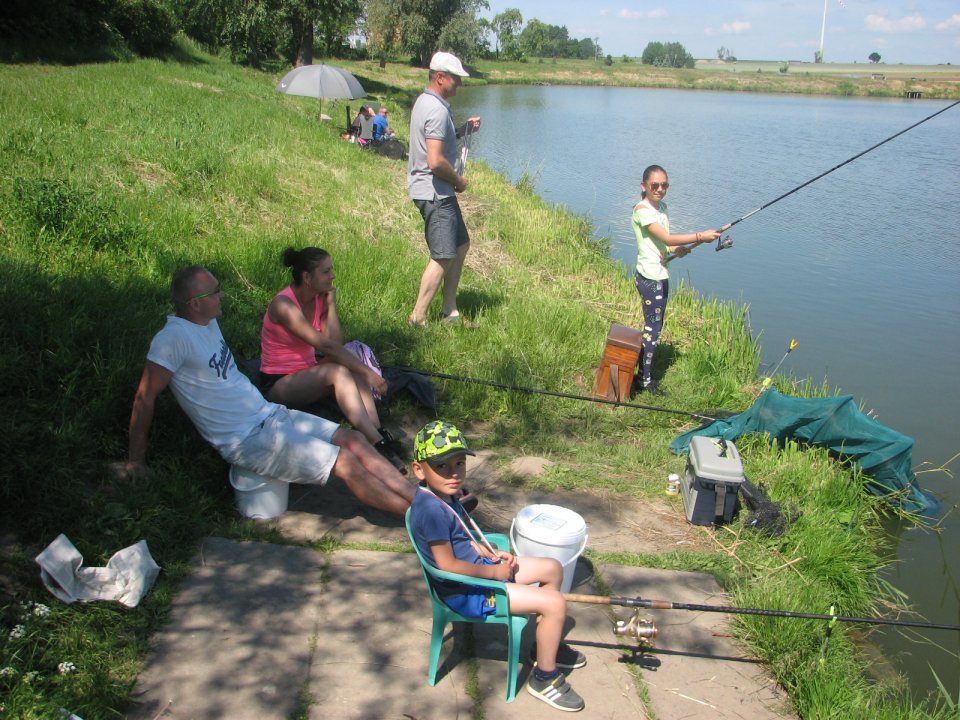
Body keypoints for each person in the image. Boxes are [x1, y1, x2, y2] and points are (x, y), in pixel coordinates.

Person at [122, 265, 415, 516]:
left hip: (269, 414)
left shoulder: (208, 323)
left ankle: (422, 500)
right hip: (246, 438)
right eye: (215, 291)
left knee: (352, 439)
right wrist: (136, 460)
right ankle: (422, 518)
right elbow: (144, 396)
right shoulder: (172, 339)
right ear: (194, 303)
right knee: (346, 462)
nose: (222, 294)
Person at [408, 421, 586, 712]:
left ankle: (543, 649)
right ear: (419, 469)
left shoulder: (444, 494)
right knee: (554, 603)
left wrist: (488, 552)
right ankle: (544, 678)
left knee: (553, 568)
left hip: (477, 572)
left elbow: (460, 539)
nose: (454, 473)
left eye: (459, 463)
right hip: (467, 593)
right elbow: (448, 563)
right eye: (442, 466)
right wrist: (493, 572)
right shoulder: (429, 510)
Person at [259, 247, 406, 473]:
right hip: (280, 384)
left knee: (349, 360)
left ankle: (378, 431)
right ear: (307, 277)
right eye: (326, 272)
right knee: (339, 370)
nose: (333, 276)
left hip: (308, 375)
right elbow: (325, 346)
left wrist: (330, 306)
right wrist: (370, 375)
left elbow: (336, 343)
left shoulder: (319, 299)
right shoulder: (284, 305)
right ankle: (378, 443)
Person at [406, 51, 481, 328]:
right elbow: (436, 160)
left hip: (437, 190)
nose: (459, 84)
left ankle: (449, 309)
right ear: (440, 77)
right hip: (436, 192)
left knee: (460, 244)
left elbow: (436, 141)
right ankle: (418, 317)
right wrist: (459, 181)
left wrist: (461, 130)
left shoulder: (429, 102)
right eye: (455, 78)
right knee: (443, 254)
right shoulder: (437, 110)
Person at [632, 165, 720, 395]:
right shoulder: (643, 211)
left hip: (661, 274)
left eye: (664, 185)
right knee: (652, 328)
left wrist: (676, 249)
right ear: (644, 186)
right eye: (655, 185)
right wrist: (701, 236)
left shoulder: (662, 208)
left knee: (656, 326)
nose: (660, 189)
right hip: (650, 277)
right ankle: (645, 380)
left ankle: (642, 372)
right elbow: (665, 235)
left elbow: (666, 242)